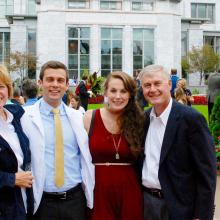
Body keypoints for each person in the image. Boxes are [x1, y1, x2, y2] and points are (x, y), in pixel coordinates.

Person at [140, 64, 216, 220]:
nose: (152, 89)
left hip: (180, 207)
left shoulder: (191, 119)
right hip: (147, 204)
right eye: (147, 85)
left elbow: (206, 171)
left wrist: (201, 215)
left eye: (157, 83)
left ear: (169, 84)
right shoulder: (143, 119)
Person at [24, 60, 95, 220]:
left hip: (75, 201)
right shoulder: (25, 117)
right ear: (40, 82)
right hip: (41, 202)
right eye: (50, 79)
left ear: (66, 84)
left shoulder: (78, 117)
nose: (55, 85)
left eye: (60, 80)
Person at [84, 71, 144, 220]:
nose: (118, 96)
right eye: (113, 91)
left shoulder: (139, 120)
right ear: (105, 92)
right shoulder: (89, 117)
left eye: (123, 91)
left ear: (130, 94)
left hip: (130, 191)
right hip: (98, 191)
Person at [0, 65, 34, 219]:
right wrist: (12, 179)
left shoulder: (15, 119)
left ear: (8, 89)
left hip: (22, 205)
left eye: (0, 86)